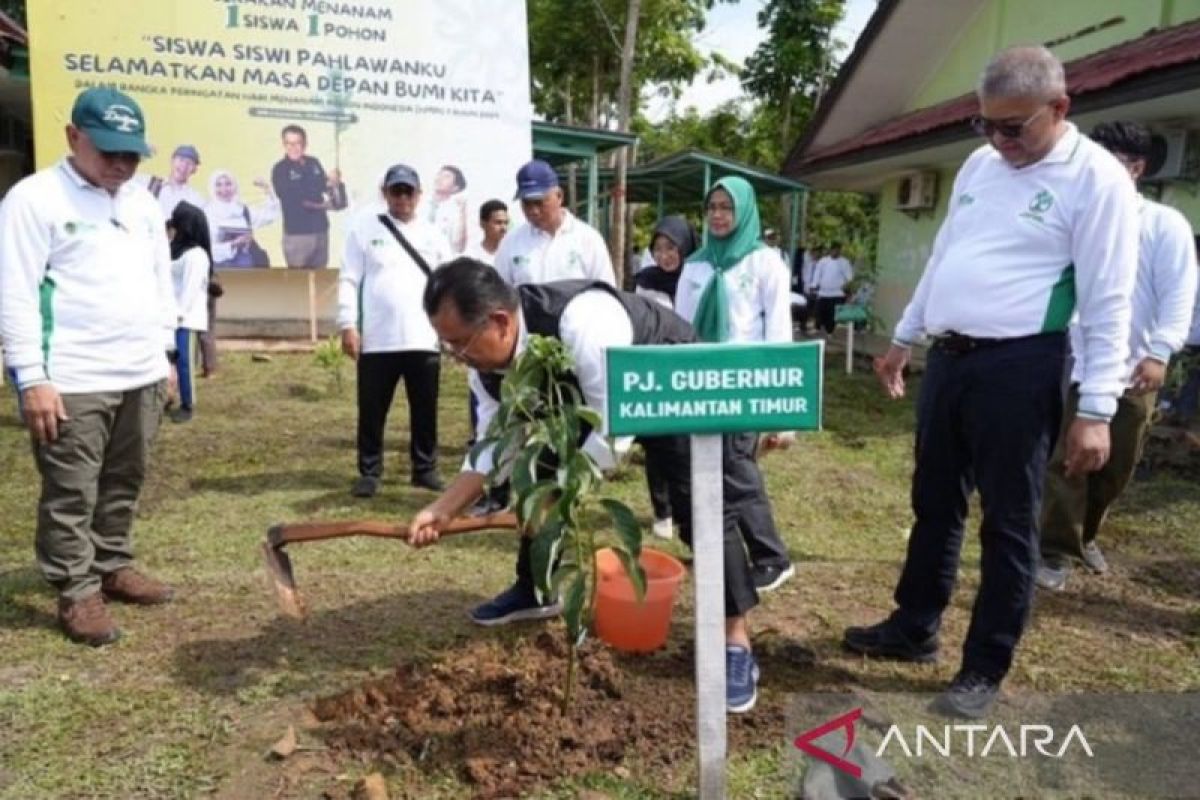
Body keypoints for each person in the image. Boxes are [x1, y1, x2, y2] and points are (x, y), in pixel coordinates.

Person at [842, 46, 1140, 719]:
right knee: (934, 498)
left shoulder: (1096, 180)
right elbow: (947, 254)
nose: (1000, 142)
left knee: (1008, 521)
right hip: (951, 359)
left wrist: (1096, 407)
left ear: (1060, 109)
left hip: (1021, 366)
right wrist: (904, 336)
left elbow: (1107, 299)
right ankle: (914, 626)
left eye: (1015, 128)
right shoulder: (981, 164)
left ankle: (984, 665)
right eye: (988, 126)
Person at [408, 258, 772, 713]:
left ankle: (735, 641)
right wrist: (445, 507)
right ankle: (539, 589)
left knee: (703, 507)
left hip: (670, 382)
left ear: (500, 322)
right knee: (539, 468)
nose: (457, 356)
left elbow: (613, 428)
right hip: (593, 400)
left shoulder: (583, 322)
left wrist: (566, 493)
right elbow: (494, 444)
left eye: (460, 343)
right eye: (448, 347)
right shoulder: (485, 367)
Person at [0, 86, 179, 647]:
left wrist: (166, 357)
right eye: (108, 152)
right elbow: (16, 294)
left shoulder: (143, 203)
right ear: (73, 137)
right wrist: (32, 377)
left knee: (125, 480)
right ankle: (77, 591)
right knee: (72, 489)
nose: (121, 164)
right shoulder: (34, 200)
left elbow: (159, 284)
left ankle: (113, 564)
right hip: (72, 379)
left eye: (130, 154)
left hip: (139, 373)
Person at [1036, 121, 1198, 591]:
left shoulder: (1164, 224)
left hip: (1132, 367)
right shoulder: (1076, 219)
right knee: (1068, 457)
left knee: (1116, 463)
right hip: (1073, 360)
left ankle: (1085, 534)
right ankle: (1055, 550)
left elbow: (1179, 294)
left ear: (1137, 168)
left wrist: (1160, 352)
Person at [675, 176, 796, 594]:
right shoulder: (696, 264)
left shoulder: (765, 263)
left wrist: (781, 412)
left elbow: (778, 333)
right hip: (700, 380)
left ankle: (771, 556)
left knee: (737, 467)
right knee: (711, 468)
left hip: (746, 381)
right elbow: (680, 329)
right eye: (712, 208)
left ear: (744, 211)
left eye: (727, 207)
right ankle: (722, 548)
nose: (719, 215)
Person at [338, 164, 453, 498]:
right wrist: (348, 324)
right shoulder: (363, 229)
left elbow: (448, 283)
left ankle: (424, 468)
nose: (402, 197)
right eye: (396, 191)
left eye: (408, 191)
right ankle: (370, 471)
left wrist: (449, 330)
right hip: (377, 340)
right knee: (372, 410)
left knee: (425, 408)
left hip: (424, 337)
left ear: (419, 195)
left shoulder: (433, 235)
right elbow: (349, 278)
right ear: (385, 193)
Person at [634, 215, 699, 540]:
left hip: (692, 367)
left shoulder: (698, 277)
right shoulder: (646, 279)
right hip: (658, 368)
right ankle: (662, 510)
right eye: (657, 248)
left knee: (686, 445)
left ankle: (686, 508)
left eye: (671, 247)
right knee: (657, 443)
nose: (664, 255)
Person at [493, 159, 615, 287]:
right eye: (527, 203)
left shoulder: (587, 239)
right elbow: (498, 293)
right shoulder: (512, 242)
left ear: (559, 196)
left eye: (539, 202)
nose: (533, 211)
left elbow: (606, 293)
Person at [270, 124, 347, 268]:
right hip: (298, 236)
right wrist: (323, 206)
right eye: (289, 143)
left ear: (305, 144)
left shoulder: (313, 163)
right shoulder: (280, 169)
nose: (293, 147)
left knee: (319, 280)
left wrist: (333, 183)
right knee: (298, 283)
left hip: (321, 231)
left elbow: (325, 187)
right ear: (284, 144)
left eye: (297, 143)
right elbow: (293, 200)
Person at [167, 201, 214, 423]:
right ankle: (168, 398)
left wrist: (178, 315)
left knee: (184, 363)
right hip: (170, 317)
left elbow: (190, 290)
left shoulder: (196, 255)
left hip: (186, 319)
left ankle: (188, 404)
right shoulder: (176, 250)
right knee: (168, 362)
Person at [204, 170, 279, 268]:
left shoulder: (243, 210)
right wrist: (234, 244)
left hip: (246, 267)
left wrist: (268, 190)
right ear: (212, 188)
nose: (224, 189)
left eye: (228, 184)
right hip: (219, 269)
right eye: (218, 185)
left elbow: (270, 215)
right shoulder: (207, 213)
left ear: (235, 186)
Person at [144, 144, 204, 219]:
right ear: (172, 161)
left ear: (194, 170)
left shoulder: (195, 198)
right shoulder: (148, 183)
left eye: (190, 163)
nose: (184, 166)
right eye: (181, 159)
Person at [809, 242, 853, 335]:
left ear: (840, 250)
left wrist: (847, 287)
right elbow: (817, 274)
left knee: (832, 316)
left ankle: (830, 333)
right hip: (823, 293)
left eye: (837, 249)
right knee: (819, 313)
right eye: (833, 249)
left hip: (837, 294)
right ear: (830, 250)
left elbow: (849, 277)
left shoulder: (844, 262)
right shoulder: (823, 261)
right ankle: (818, 329)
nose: (835, 251)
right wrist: (813, 285)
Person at [427, 164, 469, 254]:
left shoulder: (455, 212)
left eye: (446, 177)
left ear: (455, 188)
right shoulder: (420, 202)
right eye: (439, 175)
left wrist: (462, 211)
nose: (440, 178)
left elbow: (458, 246)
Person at [463, 199, 509, 267]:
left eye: (506, 223)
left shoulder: (511, 253)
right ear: (483, 224)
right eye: (498, 222)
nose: (504, 228)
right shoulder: (471, 257)